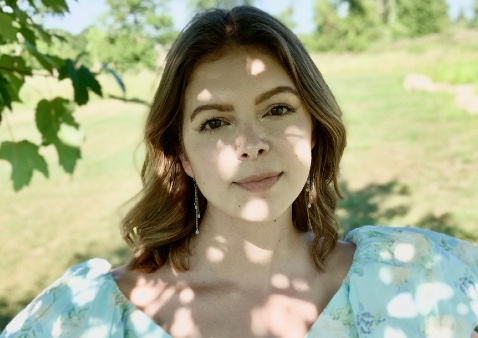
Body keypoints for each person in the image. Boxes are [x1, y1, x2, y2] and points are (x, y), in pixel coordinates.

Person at [2, 6, 478, 338]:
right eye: (214, 122)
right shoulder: (90, 317)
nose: (251, 144)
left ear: (313, 127)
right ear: (182, 154)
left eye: (277, 110)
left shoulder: (411, 274)